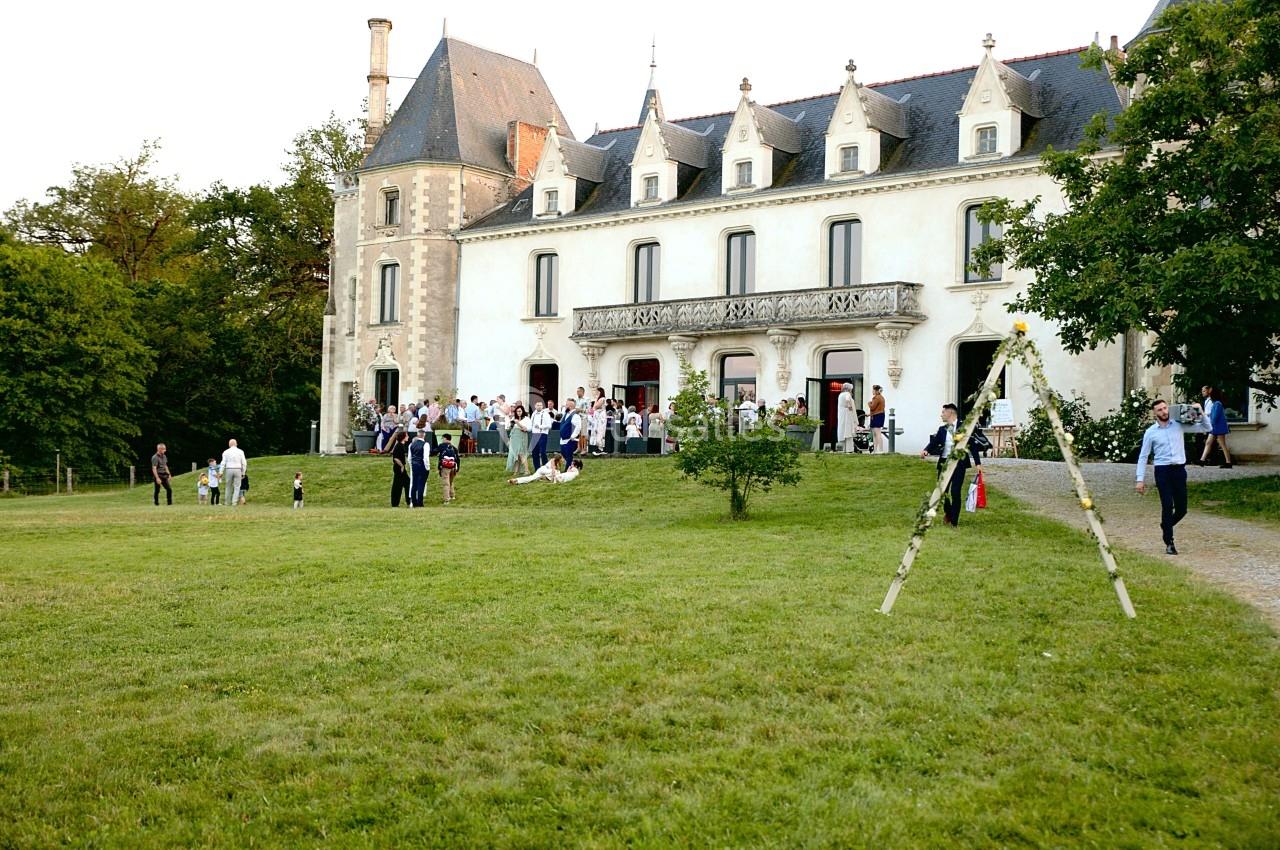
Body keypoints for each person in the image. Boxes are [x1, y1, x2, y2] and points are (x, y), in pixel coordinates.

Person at [1136, 398, 1190, 555]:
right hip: (1162, 471)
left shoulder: (1179, 424)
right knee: (1167, 505)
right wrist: (1140, 479)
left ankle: (1166, 525)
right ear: (1155, 413)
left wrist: (1198, 410)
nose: (1164, 412)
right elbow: (1143, 456)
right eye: (1159, 410)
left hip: (1179, 470)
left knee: (1182, 509)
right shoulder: (1151, 432)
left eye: (1165, 408)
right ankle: (1169, 542)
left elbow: (1206, 426)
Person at [921, 403, 981, 527]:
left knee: (955, 492)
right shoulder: (942, 430)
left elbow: (973, 445)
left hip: (958, 464)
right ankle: (949, 512)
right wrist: (926, 450)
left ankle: (954, 522)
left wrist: (978, 463)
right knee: (943, 492)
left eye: (943, 412)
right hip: (944, 463)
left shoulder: (964, 426)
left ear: (950, 413)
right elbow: (935, 442)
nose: (941, 415)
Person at [1196, 385, 1234, 468]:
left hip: (1217, 427)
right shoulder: (1216, 403)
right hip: (1215, 427)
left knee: (1222, 444)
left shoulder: (1217, 403)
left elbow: (1215, 417)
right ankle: (1202, 460)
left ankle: (1228, 462)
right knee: (1209, 442)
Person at [220, 439, 247, 507]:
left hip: (229, 469)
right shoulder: (240, 451)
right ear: (236, 444)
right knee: (237, 487)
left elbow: (223, 463)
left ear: (229, 444)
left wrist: (221, 472)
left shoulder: (226, 452)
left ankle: (227, 503)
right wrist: (243, 472)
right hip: (238, 469)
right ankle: (234, 503)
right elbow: (244, 463)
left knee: (228, 486)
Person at [506, 403, 532, 474]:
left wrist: (518, 423)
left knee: (522, 453)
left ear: (523, 411)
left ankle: (527, 470)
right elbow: (508, 427)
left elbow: (529, 428)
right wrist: (511, 424)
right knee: (515, 454)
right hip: (514, 438)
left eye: (520, 411)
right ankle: (516, 471)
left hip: (522, 437)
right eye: (517, 411)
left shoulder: (526, 419)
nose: (519, 413)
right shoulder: (513, 418)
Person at [408, 429, 430, 507]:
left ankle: (414, 502)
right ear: (424, 435)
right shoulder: (425, 444)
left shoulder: (411, 445)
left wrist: (412, 465)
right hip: (422, 465)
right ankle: (420, 502)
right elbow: (426, 458)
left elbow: (409, 458)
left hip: (414, 465)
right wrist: (427, 467)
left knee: (414, 484)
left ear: (417, 435)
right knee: (421, 484)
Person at [437, 433, 461, 503]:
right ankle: (452, 495)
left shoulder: (442, 446)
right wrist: (457, 468)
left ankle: (446, 499)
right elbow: (458, 459)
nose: (442, 440)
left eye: (442, 438)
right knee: (451, 482)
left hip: (445, 467)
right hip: (453, 467)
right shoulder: (454, 448)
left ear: (445, 438)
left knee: (445, 483)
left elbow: (434, 451)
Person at [389, 429, 410, 507]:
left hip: (400, 468)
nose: (408, 437)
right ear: (403, 437)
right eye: (406, 436)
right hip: (399, 468)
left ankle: (398, 502)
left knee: (402, 484)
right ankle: (398, 502)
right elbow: (396, 458)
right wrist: (401, 466)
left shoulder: (401, 445)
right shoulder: (398, 446)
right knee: (400, 484)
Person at [560, 398, 583, 466]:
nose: (565, 406)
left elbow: (578, 427)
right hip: (563, 438)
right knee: (563, 453)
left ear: (571, 406)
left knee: (568, 455)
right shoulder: (565, 414)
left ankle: (568, 470)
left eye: (566, 405)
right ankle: (576, 464)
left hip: (570, 439)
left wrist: (573, 436)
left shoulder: (575, 416)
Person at [530, 400, 552, 470]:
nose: (539, 406)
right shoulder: (533, 414)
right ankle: (537, 468)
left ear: (542, 406)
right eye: (537, 405)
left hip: (543, 434)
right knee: (534, 452)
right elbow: (531, 424)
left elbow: (549, 425)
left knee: (542, 452)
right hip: (534, 434)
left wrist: (540, 426)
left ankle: (546, 468)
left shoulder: (545, 414)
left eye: (540, 405)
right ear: (535, 406)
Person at [837, 383, 856, 452]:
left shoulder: (840, 395)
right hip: (847, 414)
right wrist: (849, 406)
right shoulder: (847, 394)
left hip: (841, 414)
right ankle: (849, 449)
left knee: (842, 429)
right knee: (848, 430)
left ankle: (842, 448)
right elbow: (848, 399)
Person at [868, 385, 887, 454]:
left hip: (876, 416)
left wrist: (869, 403)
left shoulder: (876, 398)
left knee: (877, 433)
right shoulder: (882, 397)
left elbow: (872, 407)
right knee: (876, 434)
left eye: (873, 390)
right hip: (879, 415)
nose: (872, 391)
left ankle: (880, 450)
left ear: (876, 391)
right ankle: (876, 450)